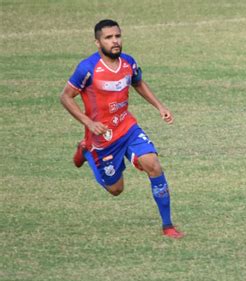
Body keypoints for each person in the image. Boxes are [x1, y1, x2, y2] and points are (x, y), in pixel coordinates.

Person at [60, 19, 184, 238]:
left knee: (153, 165)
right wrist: (88, 123)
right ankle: (86, 151)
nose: (115, 41)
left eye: (117, 36)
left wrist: (160, 106)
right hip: (102, 137)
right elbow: (66, 97)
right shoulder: (87, 68)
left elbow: (138, 83)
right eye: (108, 38)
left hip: (127, 128)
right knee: (116, 190)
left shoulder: (128, 62)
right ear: (98, 42)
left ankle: (168, 226)